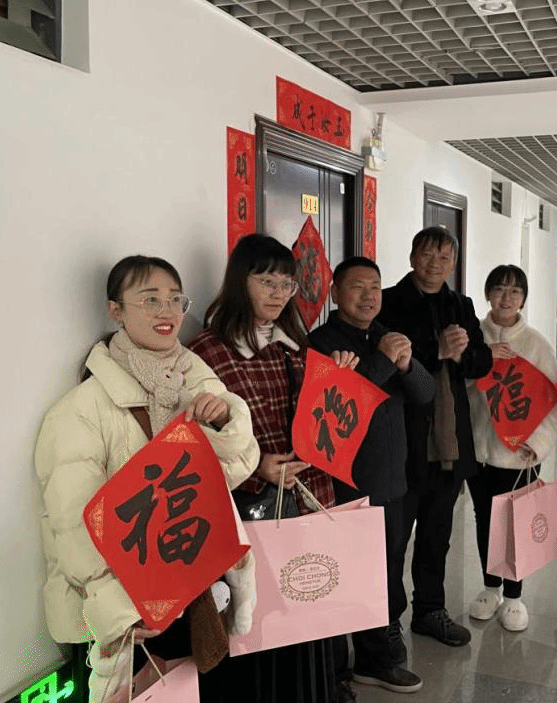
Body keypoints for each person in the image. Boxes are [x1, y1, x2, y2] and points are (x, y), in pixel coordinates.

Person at [34, 255, 260, 703]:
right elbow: (74, 522)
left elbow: (236, 470)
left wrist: (221, 423)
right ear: (115, 309)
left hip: (193, 583)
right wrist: (121, 610)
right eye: (150, 299)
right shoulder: (82, 409)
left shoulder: (196, 382)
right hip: (130, 606)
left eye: (175, 299)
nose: (167, 311)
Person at [188, 234, 358, 703]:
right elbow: (196, 442)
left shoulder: (296, 346)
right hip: (253, 509)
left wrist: (335, 380)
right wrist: (256, 467)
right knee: (262, 624)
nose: (279, 293)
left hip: (309, 499)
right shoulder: (208, 351)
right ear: (239, 282)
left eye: (287, 283)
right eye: (267, 281)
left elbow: (322, 421)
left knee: (310, 610)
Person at [309, 256, 434, 694]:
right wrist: (382, 361)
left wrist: (407, 364)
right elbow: (343, 402)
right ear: (335, 293)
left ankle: (374, 656)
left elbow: (426, 394)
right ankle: (345, 667)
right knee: (349, 575)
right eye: (358, 287)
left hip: (392, 479)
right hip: (347, 483)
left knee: (386, 569)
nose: (368, 296)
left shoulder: (387, 336)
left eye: (375, 287)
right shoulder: (322, 343)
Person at [378, 226, 493, 648]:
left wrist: (462, 355)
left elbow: (482, 362)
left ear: (454, 264)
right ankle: (387, 620)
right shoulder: (388, 302)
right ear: (412, 257)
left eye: (445, 258)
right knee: (393, 541)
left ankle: (430, 610)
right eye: (428, 255)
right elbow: (385, 367)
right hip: (401, 439)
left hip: (447, 443)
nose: (435, 264)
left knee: (436, 535)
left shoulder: (461, 305)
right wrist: (436, 351)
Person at [465, 265, 557, 633]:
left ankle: (514, 595)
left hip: (519, 456)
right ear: (487, 294)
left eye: (515, 291)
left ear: (523, 298)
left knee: (515, 524)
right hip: (477, 451)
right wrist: (481, 360)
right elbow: (457, 387)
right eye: (499, 289)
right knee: (484, 520)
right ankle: (490, 588)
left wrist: (537, 445)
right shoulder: (472, 337)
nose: (506, 297)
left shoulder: (536, 344)